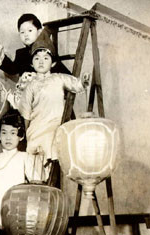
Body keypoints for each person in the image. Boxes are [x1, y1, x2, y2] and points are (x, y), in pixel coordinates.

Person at [18, 29, 90, 163]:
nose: (41, 61)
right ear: (31, 63)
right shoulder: (30, 85)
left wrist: (83, 82)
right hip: (37, 125)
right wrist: (28, 132)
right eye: (37, 58)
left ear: (53, 63)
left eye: (45, 58)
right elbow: (26, 112)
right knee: (36, 158)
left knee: (54, 140)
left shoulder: (59, 78)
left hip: (55, 124)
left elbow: (75, 84)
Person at [0, 109, 41, 232]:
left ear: (20, 136)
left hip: (13, 216)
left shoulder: (24, 157)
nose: (8, 137)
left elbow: (37, 185)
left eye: (13, 133)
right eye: (4, 133)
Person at [0, 13, 71, 77]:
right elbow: (13, 70)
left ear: (39, 32)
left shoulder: (46, 50)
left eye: (30, 31)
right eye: (22, 32)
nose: (26, 34)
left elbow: (60, 70)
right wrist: (2, 59)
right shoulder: (21, 53)